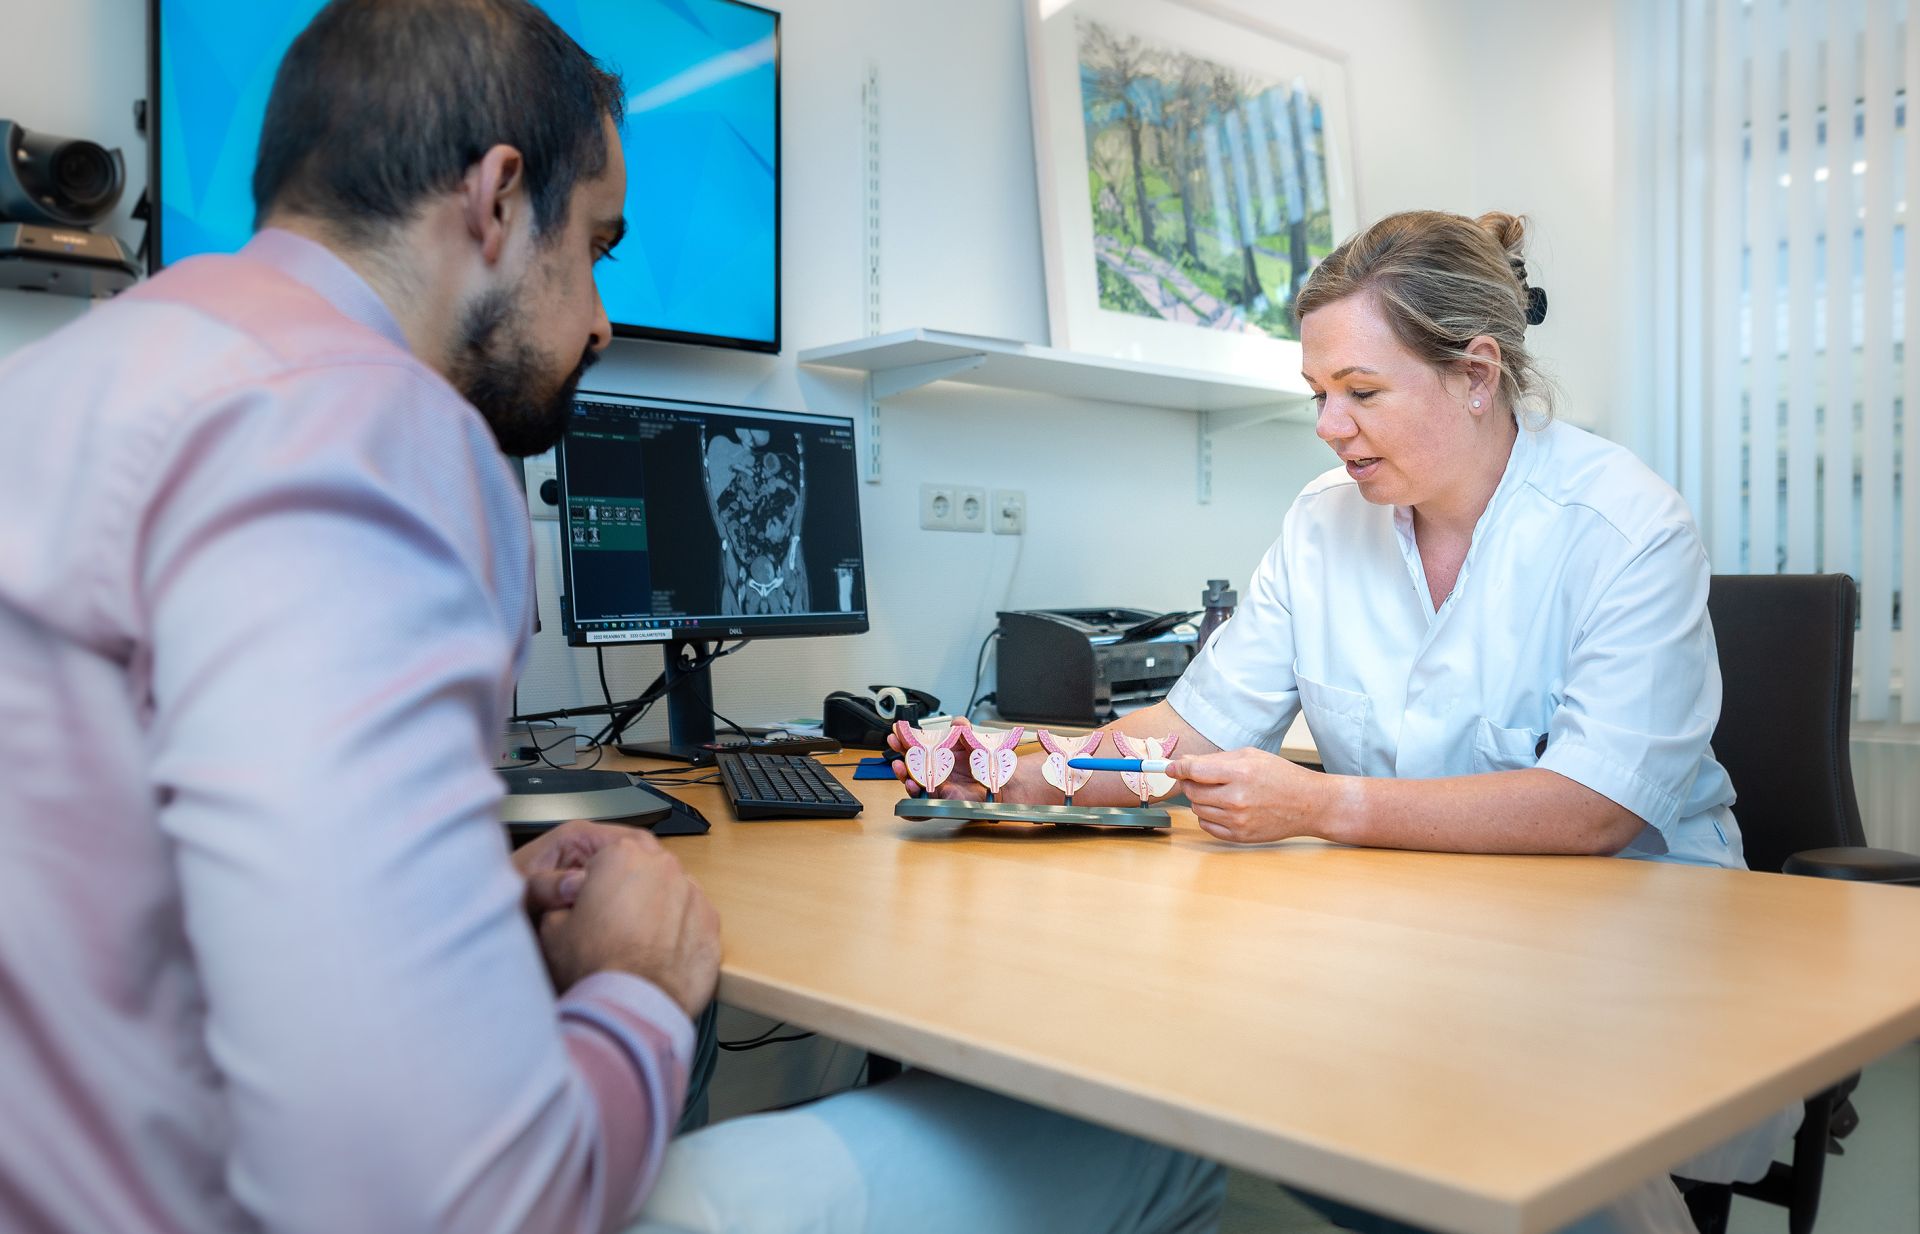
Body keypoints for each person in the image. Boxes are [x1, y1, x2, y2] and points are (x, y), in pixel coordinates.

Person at [0, 2, 1225, 1231]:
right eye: (595, 245)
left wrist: (465, 896)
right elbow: (448, 1197)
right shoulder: (375, 429)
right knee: (1149, 1144)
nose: (597, 319)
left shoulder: (56, 383)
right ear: (495, 199)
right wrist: (637, 991)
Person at [894, 210, 1788, 1233]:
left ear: (1477, 374)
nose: (1328, 424)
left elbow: (1594, 808)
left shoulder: (1623, 526)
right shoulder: (1324, 520)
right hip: (1424, 928)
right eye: (1317, 393)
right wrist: (1014, 772)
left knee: (1518, 1139)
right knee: (1242, 1055)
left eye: (1360, 392)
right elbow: (1189, 731)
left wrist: (1321, 806)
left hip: (1630, 940)